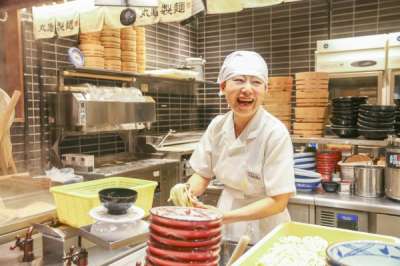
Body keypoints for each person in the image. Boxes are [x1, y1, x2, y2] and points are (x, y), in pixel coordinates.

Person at [171, 51, 296, 244]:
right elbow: (203, 173)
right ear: (223, 86)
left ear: (265, 89)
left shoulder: (274, 132)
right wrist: (187, 192)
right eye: (238, 80)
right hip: (226, 215)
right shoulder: (218, 126)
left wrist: (224, 216)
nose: (247, 89)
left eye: (256, 82)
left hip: (266, 226)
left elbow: (279, 201)